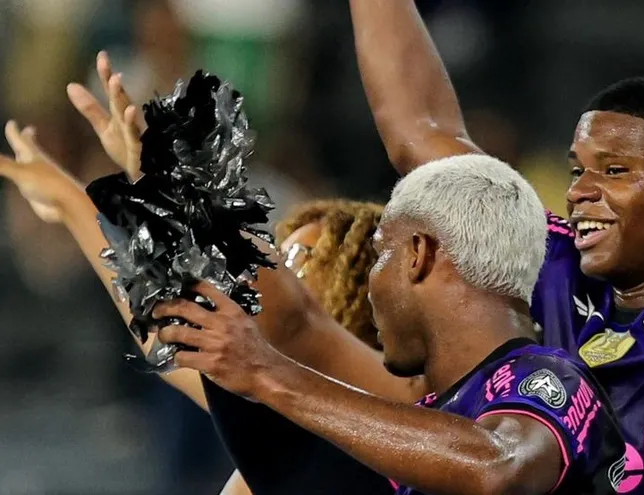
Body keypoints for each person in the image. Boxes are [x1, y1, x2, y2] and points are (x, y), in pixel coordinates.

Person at [234, 0, 644, 493]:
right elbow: (418, 132)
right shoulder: (550, 265)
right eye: (577, 171)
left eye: (615, 171)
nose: (581, 192)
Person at [0, 54, 394, 495]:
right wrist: (69, 198)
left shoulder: (392, 426)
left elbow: (284, 310)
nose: (279, 265)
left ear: (358, 298)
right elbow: (161, 325)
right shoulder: (287, 417)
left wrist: (158, 175)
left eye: (299, 258)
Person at [156, 155, 627, 495]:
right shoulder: (424, 429)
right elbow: (291, 466)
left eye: (382, 252)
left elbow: (499, 468)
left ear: (418, 254)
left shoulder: (552, 377)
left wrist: (267, 373)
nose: (369, 283)